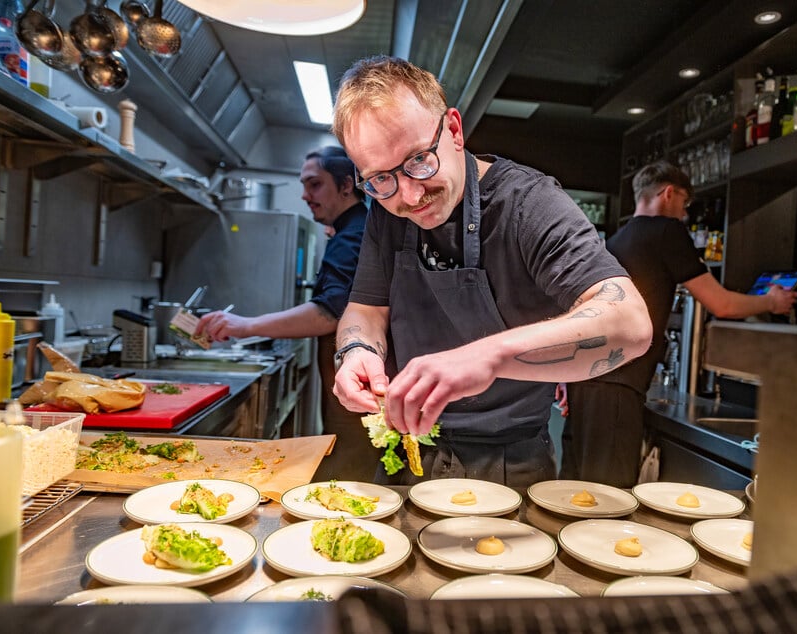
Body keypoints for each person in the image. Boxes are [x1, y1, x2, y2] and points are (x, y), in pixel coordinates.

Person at [328, 55, 653, 487]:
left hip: (510, 465)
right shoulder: (388, 210)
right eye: (380, 179)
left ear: (455, 131)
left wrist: (486, 356)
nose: (409, 194)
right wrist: (356, 353)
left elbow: (630, 323)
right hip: (407, 454)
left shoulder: (529, 203)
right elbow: (366, 309)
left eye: (420, 160)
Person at [559, 161, 797, 488]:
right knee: (607, 499)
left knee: (574, 492)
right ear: (668, 193)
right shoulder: (667, 232)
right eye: (685, 204)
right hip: (618, 385)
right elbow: (722, 304)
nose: (685, 214)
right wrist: (772, 301)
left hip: (585, 381)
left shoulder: (617, 240)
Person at [195, 146, 381, 480]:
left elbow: (329, 314)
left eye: (314, 184)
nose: (305, 195)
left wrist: (245, 325)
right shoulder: (347, 230)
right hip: (348, 385)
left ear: (346, 186)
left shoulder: (354, 235)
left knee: (353, 473)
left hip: (355, 386)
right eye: (304, 185)